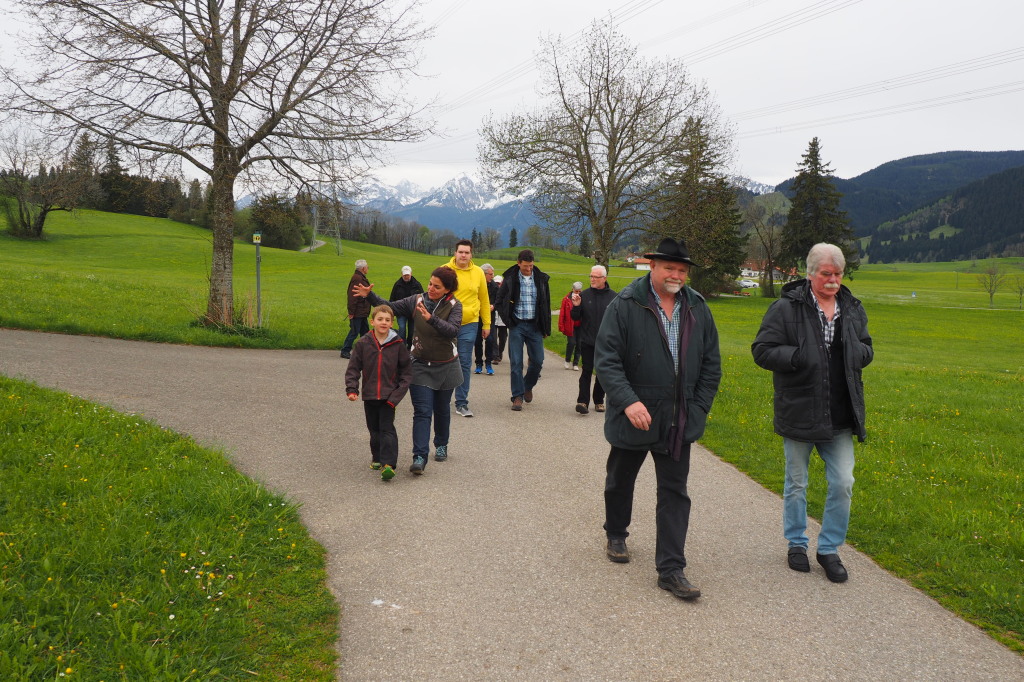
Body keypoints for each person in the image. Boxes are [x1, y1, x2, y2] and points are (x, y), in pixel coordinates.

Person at [595, 237, 721, 601]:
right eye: (669, 268)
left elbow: (711, 365)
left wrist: (698, 408)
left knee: (675, 493)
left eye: (682, 270)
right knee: (620, 481)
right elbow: (607, 360)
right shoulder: (626, 304)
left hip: (678, 418)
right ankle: (616, 532)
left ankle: (671, 569)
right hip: (635, 414)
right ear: (652, 266)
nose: (676, 275)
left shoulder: (697, 307)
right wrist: (628, 402)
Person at [751, 243, 873, 583]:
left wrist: (855, 352)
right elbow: (761, 350)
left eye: (838, 274)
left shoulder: (852, 308)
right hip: (800, 409)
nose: (833, 280)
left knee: (843, 482)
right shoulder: (786, 308)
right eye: (826, 274)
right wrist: (798, 356)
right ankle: (796, 543)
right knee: (797, 482)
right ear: (810, 274)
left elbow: (867, 348)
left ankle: (829, 549)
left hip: (840, 413)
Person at [353, 267, 464, 472]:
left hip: (447, 366)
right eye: (430, 283)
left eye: (437, 287)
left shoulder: (455, 306)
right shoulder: (417, 300)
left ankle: (441, 443)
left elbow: (453, 331)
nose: (430, 288)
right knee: (422, 412)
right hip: (420, 365)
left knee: (441, 409)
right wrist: (370, 296)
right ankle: (419, 456)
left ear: (447, 289)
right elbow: (390, 307)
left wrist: (431, 318)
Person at [345, 305, 412, 481]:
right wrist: (352, 389)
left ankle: (388, 464)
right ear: (372, 321)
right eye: (380, 319)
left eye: (387, 320)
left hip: (389, 396)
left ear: (392, 323)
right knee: (374, 429)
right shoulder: (363, 343)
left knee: (387, 429)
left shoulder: (398, 344)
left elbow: (406, 373)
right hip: (370, 394)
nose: (384, 322)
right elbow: (353, 368)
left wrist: (396, 396)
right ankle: (377, 458)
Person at [494, 249, 551, 411]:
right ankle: (517, 396)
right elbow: (499, 301)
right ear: (518, 263)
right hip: (517, 325)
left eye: (531, 265)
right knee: (516, 363)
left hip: (535, 326)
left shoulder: (541, 279)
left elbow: (546, 304)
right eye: (525, 266)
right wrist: (508, 321)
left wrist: (546, 327)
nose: (528, 269)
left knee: (538, 361)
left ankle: (527, 386)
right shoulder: (510, 279)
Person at [444, 240, 490, 418]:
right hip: (447, 323)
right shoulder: (444, 271)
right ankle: (441, 398)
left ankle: (461, 402)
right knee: (445, 361)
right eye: (461, 252)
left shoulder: (478, 272)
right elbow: (433, 296)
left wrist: (486, 324)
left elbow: (484, 299)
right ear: (455, 253)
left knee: (464, 362)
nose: (463, 255)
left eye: (467, 252)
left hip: (470, 323)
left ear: (471, 254)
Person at [570, 265, 616, 415]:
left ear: (604, 278)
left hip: (606, 343)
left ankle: (598, 400)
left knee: (602, 372)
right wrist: (576, 306)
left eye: (596, 277)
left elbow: (618, 320)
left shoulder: (613, 297)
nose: (592, 279)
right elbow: (575, 317)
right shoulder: (584, 295)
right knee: (586, 371)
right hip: (587, 341)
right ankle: (582, 401)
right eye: (591, 276)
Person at [340, 259, 371, 359]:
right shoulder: (357, 278)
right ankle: (345, 350)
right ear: (363, 268)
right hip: (358, 311)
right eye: (367, 267)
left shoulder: (360, 277)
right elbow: (352, 296)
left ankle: (366, 351)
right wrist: (351, 312)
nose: (368, 268)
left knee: (365, 332)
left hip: (362, 311)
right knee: (354, 331)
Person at [474, 263, 501, 375]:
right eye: (490, 274)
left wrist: (493, 306)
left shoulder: (494, 286)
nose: (492, 276)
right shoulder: (476, 284)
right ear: (483, 274)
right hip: (476, 317)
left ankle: (488, 363)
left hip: (489, 317)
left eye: (492, 274)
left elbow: (499, 300)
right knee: (477, 341)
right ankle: (478, 364)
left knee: (490, 340)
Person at [390, 265, 424, 347]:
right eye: (405, 275)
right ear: (401, 274)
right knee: (402, 328)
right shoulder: (397, 285)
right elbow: (392, 298)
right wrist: (391, 311)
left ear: (411, 274)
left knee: (412, 331)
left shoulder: (417, 284)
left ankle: (410, 345)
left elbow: (422, 298)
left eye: (407, 275)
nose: (406, 276)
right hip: (400, 311)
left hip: (413, 312)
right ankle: (402, 345)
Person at [559, 282, 583, 371]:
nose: (578, 293)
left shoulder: (583, 298)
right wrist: (561, 325)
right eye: (576, 291)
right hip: (570, 325)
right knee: (572, 343)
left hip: (580, 326)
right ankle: (567, 360)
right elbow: (562, 313)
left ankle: (575, 363)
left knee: (579, 344)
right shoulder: (566, 299)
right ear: (573, 289)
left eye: (580, 291)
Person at [491, 275, 508, 363]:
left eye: (499, 283)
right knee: (493, 337)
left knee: (503, 338)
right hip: (493, 318)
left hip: (502, 319)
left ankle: (499, 352)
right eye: (496, 283)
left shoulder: (505, 293)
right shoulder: (491, 292)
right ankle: (495, 356)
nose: (497, 285)